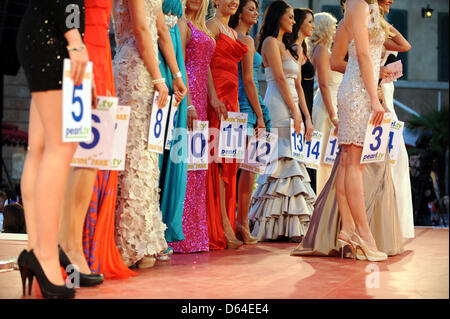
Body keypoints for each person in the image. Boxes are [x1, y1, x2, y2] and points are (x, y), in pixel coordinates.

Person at [292, 0, 408, 261]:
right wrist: (375, 98)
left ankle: (347, 229)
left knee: (348, 163)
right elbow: (364, 55)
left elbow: (397, 45)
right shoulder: (357, 4)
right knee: (354, 164)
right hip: (358, 92)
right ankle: (363, 235)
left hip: (360, 89)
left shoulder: (368, 8)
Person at [58, 0, 135, 282]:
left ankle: (75, 245)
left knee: (94, 155)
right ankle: (67, 246)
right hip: (80, 49)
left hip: (102, 52)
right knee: (78, 153)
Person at [16, 0, 89, 298]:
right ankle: (44, 254)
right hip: (54, 36)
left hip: (45, 30)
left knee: (42, 147)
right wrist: (74, 36)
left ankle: (38, 248)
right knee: (61, 147)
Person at [248, 0, 316, 243]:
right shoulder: (269, 43)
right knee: (279, 161)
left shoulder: (292, 48)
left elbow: (298, 86)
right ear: (279, 17)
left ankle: (291, 224)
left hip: (293, 107)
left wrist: (306, 117)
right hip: (277, 105)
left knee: (293, 162)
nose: (293, 20)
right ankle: (270, 225)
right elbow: (278, 78)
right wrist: (294, 112)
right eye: (290, 16)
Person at [113, 0, 173, 268]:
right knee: (130, 152)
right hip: (135, 66)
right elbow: (140, 29)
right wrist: (159, 78)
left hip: (149, 69)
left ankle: (144, 237)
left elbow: (161, 29)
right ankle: (126, 239)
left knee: (147, 153)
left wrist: (176, 74)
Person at [170, 0, 215, 253]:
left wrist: (212, 97)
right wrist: (187, 104)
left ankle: (196, 234)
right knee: (184, 164)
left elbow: (206, 67)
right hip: (188, 97)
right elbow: (180, 63)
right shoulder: (181, 23)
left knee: (199, 166)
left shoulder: (202, 28)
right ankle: (180, 234)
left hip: (202, 98)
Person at [206, 0, 248, 250]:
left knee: (230, 161)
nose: (233, 2)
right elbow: (205, 64)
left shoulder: (231, 31)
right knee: (219, 162)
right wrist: (213, 97)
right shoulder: (211, 25)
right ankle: (221, 223)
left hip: (233, 100)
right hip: (218, 98)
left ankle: (227, 222)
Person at [229, 0, 271, 245]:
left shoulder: (243, 37)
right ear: (240, 12)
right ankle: (239, 222)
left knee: (247, 169)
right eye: (251, 9)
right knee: (243, 168)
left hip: (247, 104)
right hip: (245, 106)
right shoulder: (242, 39)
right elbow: (250, 80)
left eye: (257, 9)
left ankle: (241, 222)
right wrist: (260, 114)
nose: (256, 13)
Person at [157, 0, 188, 254]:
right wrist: (175, 75)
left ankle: (164, 225)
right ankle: (148, 225)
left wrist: (179, 73)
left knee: (171, 148)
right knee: (154, 148)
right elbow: (157, 30)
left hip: (175, 57)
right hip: (159, 58)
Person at [308, 12, 342, 194]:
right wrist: (333, 115)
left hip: (333, 103)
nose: (336, 30)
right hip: (326, 106)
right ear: (326, 28)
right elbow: (323, 84)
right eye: (334, 26)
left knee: (331, 157)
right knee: (324, 157)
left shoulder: (325, 50)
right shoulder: (321, 50)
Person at [289, 8, 317, 192]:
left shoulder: (304, 48)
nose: (313, 26)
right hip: (299, 108)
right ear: (300, 24)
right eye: (310, 22)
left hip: (307, 106)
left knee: (307, 163)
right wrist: (305, 116)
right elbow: (297, 85)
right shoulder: (295, 48)